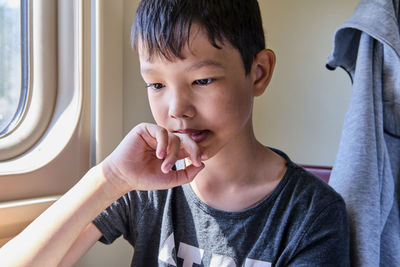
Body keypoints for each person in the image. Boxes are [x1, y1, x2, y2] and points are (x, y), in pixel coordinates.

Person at [0, 0, 350, 266]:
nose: (176, 109)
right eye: (156, 84)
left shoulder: (311, 214)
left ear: (257, 73)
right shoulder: (145, 185)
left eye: (202, 80)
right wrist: (110, 179)